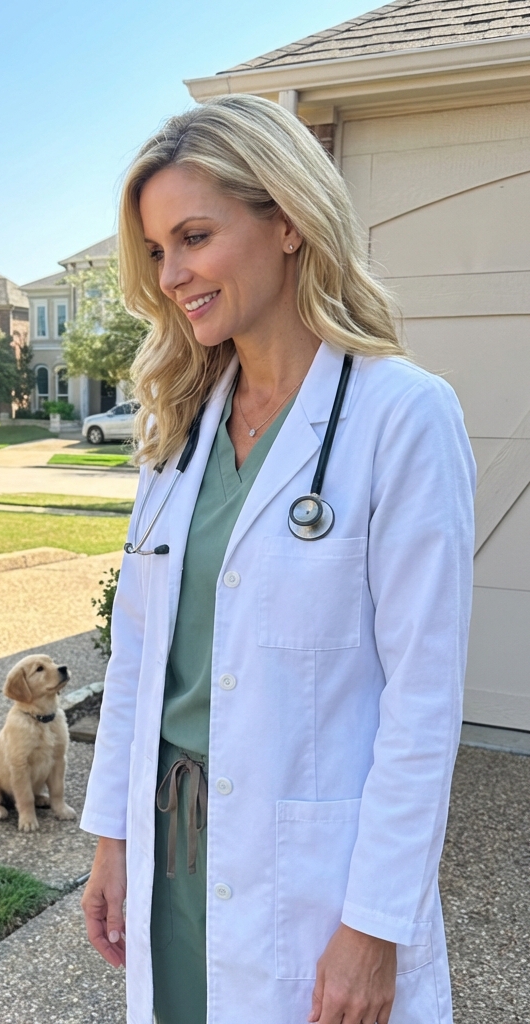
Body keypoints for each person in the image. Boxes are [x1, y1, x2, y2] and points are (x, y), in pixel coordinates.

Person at [79, 95, 475, 1024]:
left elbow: (424, 701)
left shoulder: (402, 416)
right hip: (172, 853)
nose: (172, 274)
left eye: (195, 236)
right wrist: (111, 837)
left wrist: (377, 926)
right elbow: (139, 658)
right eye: (156, 252)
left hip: (314, 880)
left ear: (287, 221)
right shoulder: (176, 427)